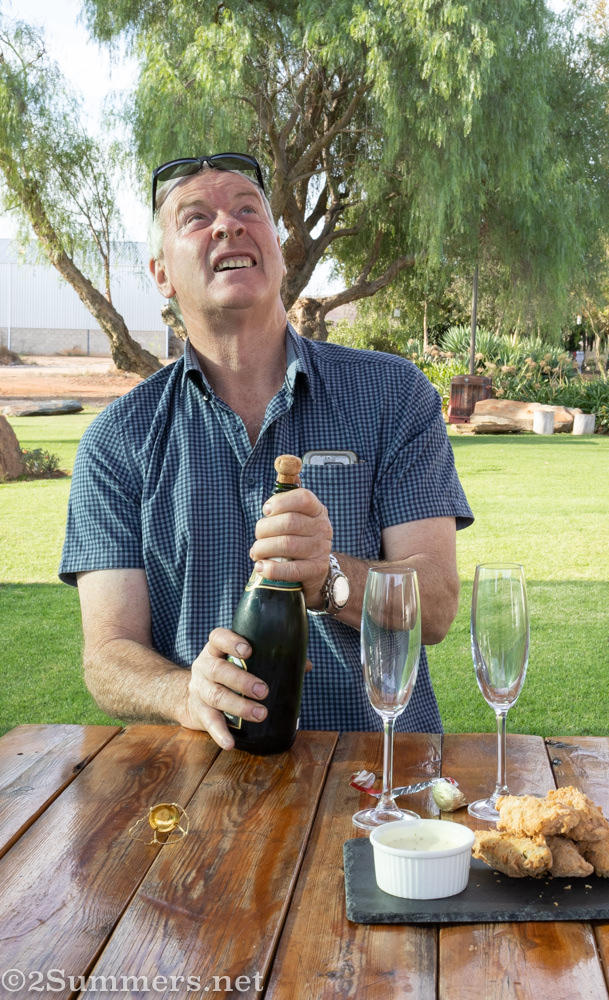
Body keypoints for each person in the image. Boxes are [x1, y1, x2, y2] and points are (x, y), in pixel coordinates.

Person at [59, 153, 473, 749]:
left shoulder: (392, 395)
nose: (227, 225)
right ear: (161, 274)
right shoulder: (117, 440)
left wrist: (330, 578)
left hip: (380, 781)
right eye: (195, 218)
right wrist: (185, 692)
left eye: (247, 209)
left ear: (276, 251)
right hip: (207, 782)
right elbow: (107, 654)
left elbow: (434, 604)